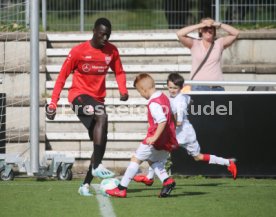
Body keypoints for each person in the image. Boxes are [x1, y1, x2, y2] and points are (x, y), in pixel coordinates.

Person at [45, 18, 129, 196]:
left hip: (97, 100)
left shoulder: (112, 51)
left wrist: (123, 90)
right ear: (94, 31)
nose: (105, 38)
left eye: (108, 35)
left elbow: (119, 71)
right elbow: (61, 77)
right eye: (102, 34)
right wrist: (53, 102)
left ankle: (84, 185)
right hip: (78, 98)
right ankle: (97, 166)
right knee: (102, 116)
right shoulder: (78, 51)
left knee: (100, 140)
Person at [133, 73, 237, 186]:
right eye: (170, 87)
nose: (172, 90)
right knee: (194, 156)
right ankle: (228, 162)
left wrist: (165, 123)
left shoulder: (180, 102)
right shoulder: (180, 97)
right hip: (183, 133)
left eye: (175, 88)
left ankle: (150, 178)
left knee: (160, 151)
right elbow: (189, 100)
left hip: (182, 134)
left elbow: (179, 122)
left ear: (181, 88)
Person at [105, 73, 179, 198]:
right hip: (167, 139)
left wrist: (155, 137)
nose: (141, 94)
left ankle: (121, 188)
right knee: (153, 160)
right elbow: (172, 115)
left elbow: (162, 121)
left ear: (144, 90)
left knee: (136, 159)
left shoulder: (153, 103)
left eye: (140, 92)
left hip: (155, 139)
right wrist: (173, 129)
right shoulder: (164, 97)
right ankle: (167, 181)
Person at [177, 17, 239, 91]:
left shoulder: (219, 43)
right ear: (201, 30)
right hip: (198, 87)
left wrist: (217, 24)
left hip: (216, 87)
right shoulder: (194, 43)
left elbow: (236, 33)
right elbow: (179, 34)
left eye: (211, 28)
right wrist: (200, 25)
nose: (208, 30)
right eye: (205, 28)